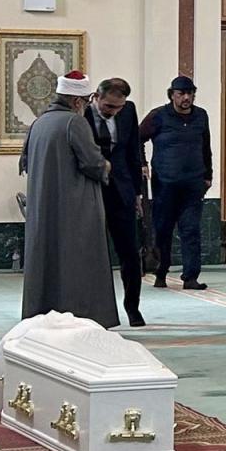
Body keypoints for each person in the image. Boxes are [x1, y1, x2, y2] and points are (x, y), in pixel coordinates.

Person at [20, 71, 119, 326]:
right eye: (86, 102)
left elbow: (26, 163)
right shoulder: (74, 123)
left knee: (47, 264)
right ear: (77, 102)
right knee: (78, 263)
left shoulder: (39, 123)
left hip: (44, 209)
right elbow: (93, 163)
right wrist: (107, 166)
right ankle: (84, 319)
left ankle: (42, 317)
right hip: (74, 209)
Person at [140, 76, 212, 290]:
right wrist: (141, 163)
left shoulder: (201, 116)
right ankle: (161, 272)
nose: (186, 98)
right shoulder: (158, 116)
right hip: (165, 184)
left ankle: (190, 277)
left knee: (191, 230)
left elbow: (206, 146)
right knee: (163, 229)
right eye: (181, 94)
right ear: (172, 94)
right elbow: (136, 139)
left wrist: (208, 176)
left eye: (190, 93)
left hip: (193, 183)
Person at [89, 77, 147, 327]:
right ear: (96, 97)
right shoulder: (80, 115)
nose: (113, 112)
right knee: (93, 252)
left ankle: (132, 307)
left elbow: (133, 150)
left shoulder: (128, 111)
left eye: (118, 107)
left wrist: (137, 192)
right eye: (109, 107)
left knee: (130, 253)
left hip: (122, 188)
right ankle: (93, 309)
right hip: (90, 189)